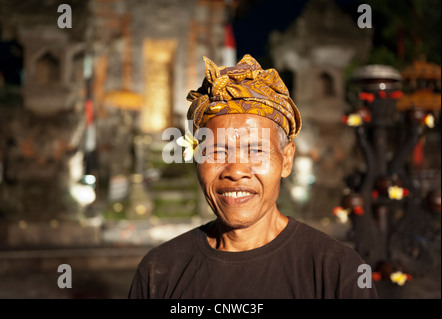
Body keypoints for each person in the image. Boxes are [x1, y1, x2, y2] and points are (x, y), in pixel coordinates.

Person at [128, 54, 378, 299]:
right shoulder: (160, 272)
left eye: (256, 150)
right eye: (216, 151)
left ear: (286, 160)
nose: (236, 171)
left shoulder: (337, 273)